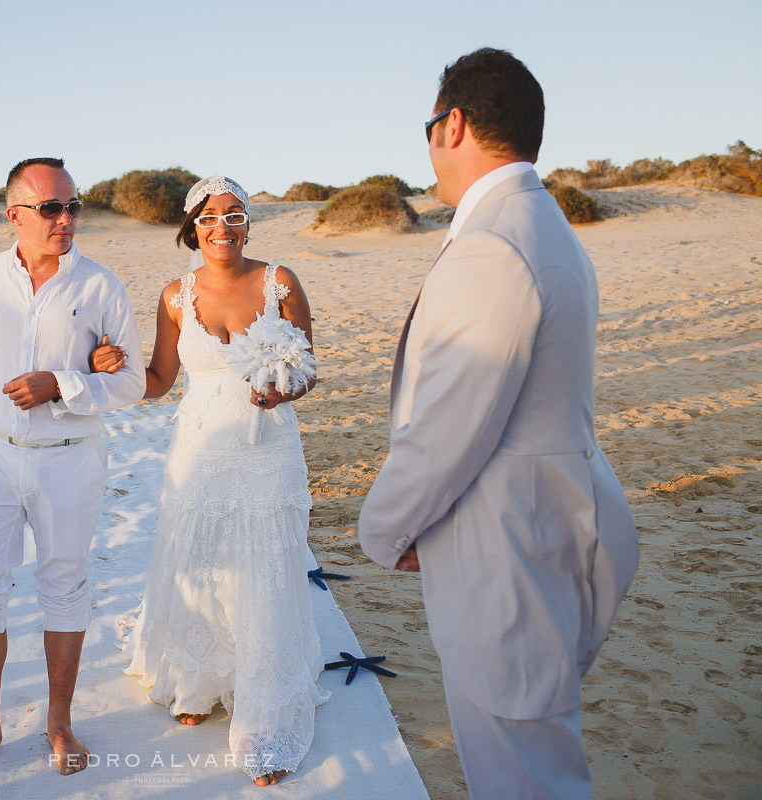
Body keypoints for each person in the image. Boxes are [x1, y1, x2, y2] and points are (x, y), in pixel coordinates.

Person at [355, 48, 640, 799]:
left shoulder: (492, 243)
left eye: (428, 127)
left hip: (508, 557)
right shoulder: (542, 225)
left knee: (521, 779)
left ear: (453, 124)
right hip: (545, 530)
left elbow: (446, 434)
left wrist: (384, 531)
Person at [99, 176, 327, 787]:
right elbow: (159, 380)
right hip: (198, 450)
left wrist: (282, 389)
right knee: (200, 562)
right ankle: (199, 676)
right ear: (190, 228)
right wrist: (113, 365)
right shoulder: (175, 295)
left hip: (267, 449)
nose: (220, 228)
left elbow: (308, 371)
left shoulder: (282, 282)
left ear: (249, 223)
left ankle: (264, 715)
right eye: (208, 218)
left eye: (233, 216)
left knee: (262, 569)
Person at [0, 157, 145, 775]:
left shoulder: (101, 286)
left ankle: (59, 723)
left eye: (74, 206)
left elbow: (131, 384)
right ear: (14, 213)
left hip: (70, 460)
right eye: (52, 208)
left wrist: (64, 384)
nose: (67, 218)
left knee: (65, 586)